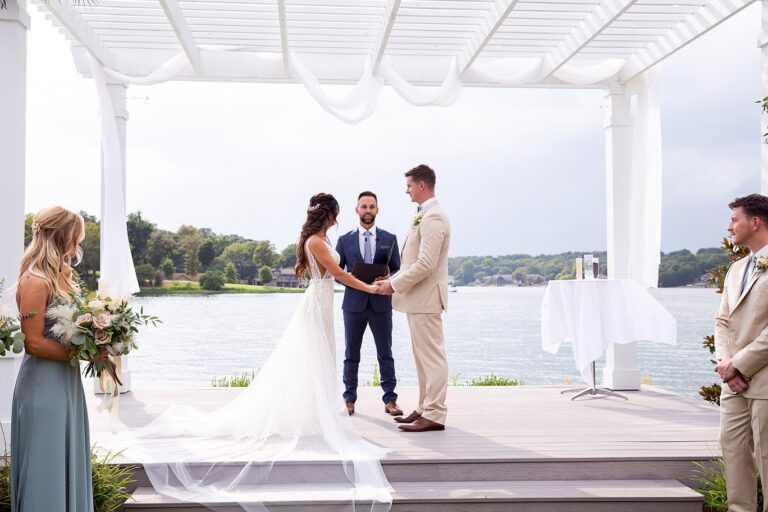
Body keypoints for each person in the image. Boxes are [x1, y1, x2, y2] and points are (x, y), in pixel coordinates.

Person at [109, 193, 392, 510]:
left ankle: (318, 410)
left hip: (324, 302)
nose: (337, 217)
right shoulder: (315, 242)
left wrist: (372, 277)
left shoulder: (324, 239)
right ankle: (320, 415)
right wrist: (370, 288)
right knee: (313, 358)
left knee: (321, 359)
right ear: (331, 214)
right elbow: (338, 275)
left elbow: (342, 271)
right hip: (317, 303)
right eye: (336, 212)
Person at [11, 206, 94, 512]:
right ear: (61, 237)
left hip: (66, 383)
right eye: (76, 237)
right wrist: (85, 352)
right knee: (46, 463)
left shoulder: (62, 277)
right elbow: (32, 343)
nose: (77, 245)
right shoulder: (35, 280)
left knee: (65, 458)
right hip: (43, 385)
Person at [377, 164, 451, 433]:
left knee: (432, 357)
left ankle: (435, 413)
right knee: (422, 357)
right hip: (418, 299)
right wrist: (390, 279)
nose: (406, 190)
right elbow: (412, 260)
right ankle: (424, 407)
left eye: (409, 185)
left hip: (427, 298)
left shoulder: (434, 217)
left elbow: (426, 264)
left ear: (422, 185)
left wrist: (393, 286)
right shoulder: (423, 214)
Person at [715, 193, 768, 512]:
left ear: (756, 222)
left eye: (735, 220)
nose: (729, 226)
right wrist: (725, 365)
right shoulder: (736, 270)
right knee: (733, 455)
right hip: (732, 384)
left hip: (763, 381)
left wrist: (741, 365)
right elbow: (722, 320)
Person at [336, 191, 402, 417]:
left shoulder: (390, 238)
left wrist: (388, 279)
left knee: (385, 352)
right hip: (353, 305)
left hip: (381, 303)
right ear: (356, 210)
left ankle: (390, 400)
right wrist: (353, 278)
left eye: (371, 207)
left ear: (377, 210)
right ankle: (349, 399)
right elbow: (336, 273)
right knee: (351, 353)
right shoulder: (344, 240)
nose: (367, 211)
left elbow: (397, 268)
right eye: (363, 207)